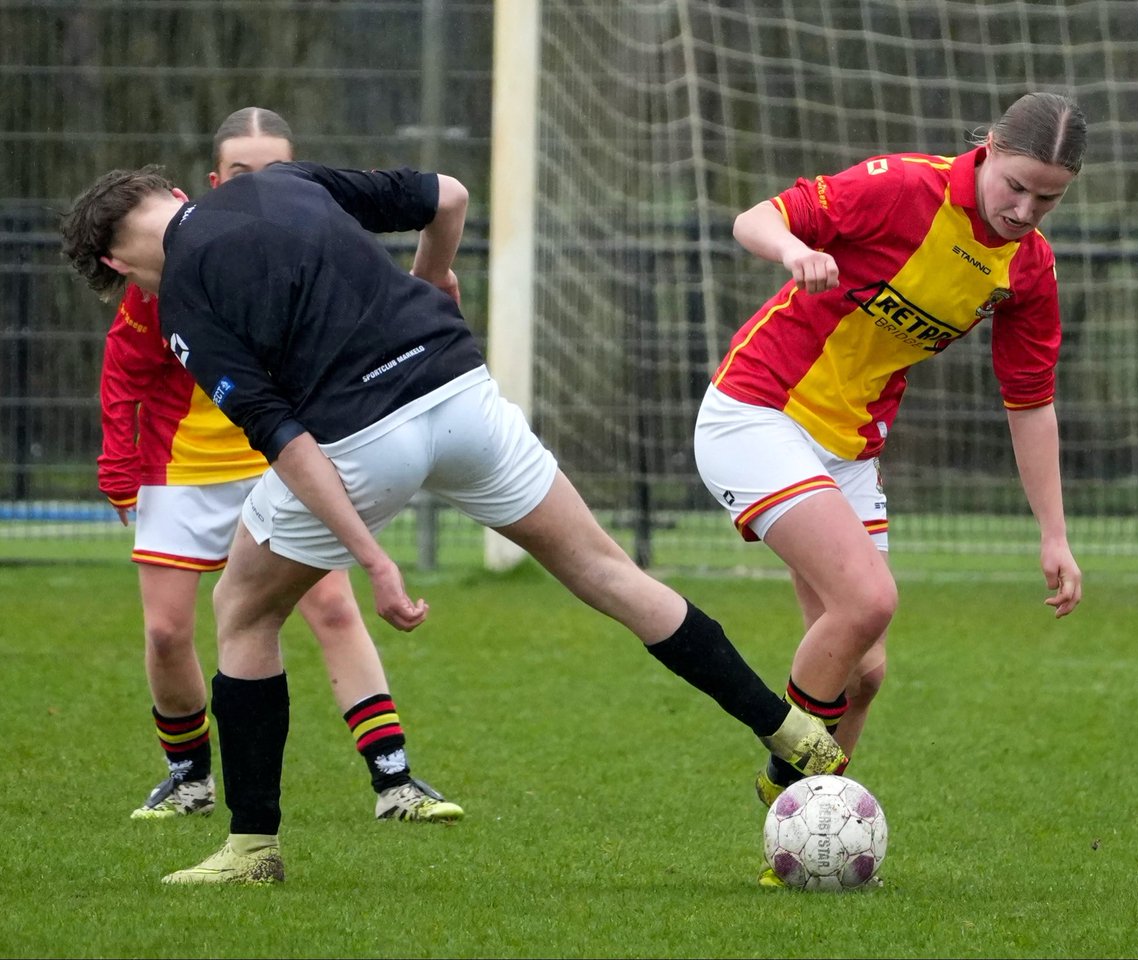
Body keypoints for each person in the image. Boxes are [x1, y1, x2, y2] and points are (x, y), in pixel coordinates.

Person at [60, 157, 850, 887]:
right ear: (172, 194)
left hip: (363, 439)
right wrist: (434, 273)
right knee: (610, 572)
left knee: (242, 610)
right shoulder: (287, 181)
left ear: (118, 265)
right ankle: (795, 732)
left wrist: (372, 557)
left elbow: (283, 436)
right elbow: (448, 193)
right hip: (463, 392)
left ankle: (251, 847)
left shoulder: (184, 299)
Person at [691, 92, 1087, 885]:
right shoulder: (902, 188)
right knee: (869, 600)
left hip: (850, 448)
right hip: (757, 413)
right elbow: (755, 217)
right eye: (1015, 185)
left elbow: (1031, 400)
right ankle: (786, 777)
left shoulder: (1029, 268)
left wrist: (1054, 533)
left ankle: (798, 859)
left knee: (866, 672)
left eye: (1048, 197)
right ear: (988, 148)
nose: (1025, 208)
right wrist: (790, 252)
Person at [97, 107, 462, 826]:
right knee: (169, 631)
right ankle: (190, 776)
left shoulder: (303, 240)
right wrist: (119, 468)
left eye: (272, 170)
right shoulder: (165, 277)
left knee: (331, 605)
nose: (258, 185)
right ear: (208, 183)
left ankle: (394, 779)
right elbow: (125, 377)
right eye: (241, 174)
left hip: (282, 459)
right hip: (182, 471)